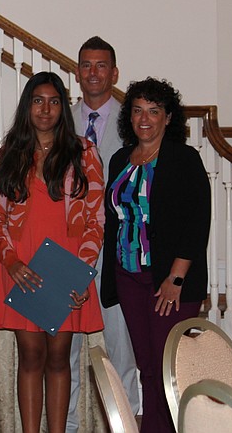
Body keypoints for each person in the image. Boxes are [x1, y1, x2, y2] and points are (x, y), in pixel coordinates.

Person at [0, 71, 104, 433]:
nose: (46, 109)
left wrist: (81, 273)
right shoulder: (9, 153)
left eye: (54, 102)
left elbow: (96, 219)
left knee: (58, 358)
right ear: (28, 105)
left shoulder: (83, 151)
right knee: (31, 357)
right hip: (22, 268)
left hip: (66, 268)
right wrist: (11, 263)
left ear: (63, 108)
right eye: (38, 100)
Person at [101, 77, 210, 433]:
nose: (144, 118)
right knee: (146, 366)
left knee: (170, 368)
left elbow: (197, 222)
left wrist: (176, 278)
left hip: (169, 280)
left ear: (168, 117)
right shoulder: (120, 159)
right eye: (137, 110)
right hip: (129, 275)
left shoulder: (183, 158)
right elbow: (114, 217)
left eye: (153, 111)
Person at [67, 36, 140, 432]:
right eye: (86, 65)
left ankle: (125, 425)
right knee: (66, 353)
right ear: (77, 73)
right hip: (68, 250)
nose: (93, 73)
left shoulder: (136, 122)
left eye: (101, 65)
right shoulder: (60, 118)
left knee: (120, 351)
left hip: (119, 252)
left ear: (114, 73)